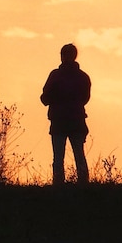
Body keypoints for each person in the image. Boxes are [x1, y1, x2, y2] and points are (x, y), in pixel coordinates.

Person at [40, 44, 91, 185]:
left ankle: (58, 184)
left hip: (59, 121)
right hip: (77, 120)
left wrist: (56, 99)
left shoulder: (55, 75)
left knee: (58, 156)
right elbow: (85, 99)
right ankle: (83, 184)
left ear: (62, 56)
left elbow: (44, 98)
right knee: (79, 155)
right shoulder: (83, 77)